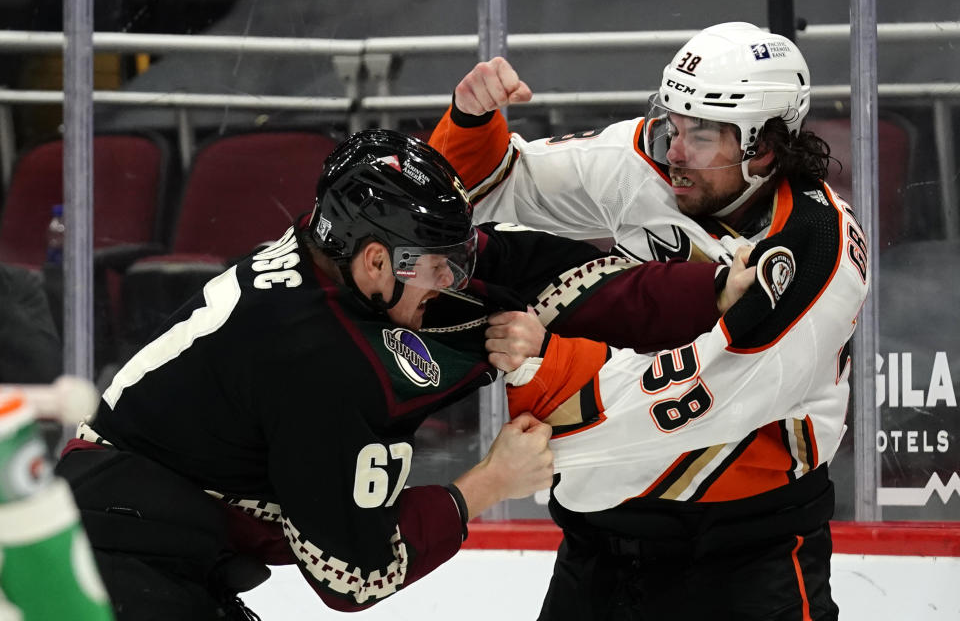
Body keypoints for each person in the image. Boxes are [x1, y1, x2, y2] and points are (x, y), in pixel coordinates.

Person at [54, 129, 751, 620]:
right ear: (374, 262)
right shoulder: (309, 359)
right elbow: (353, 575)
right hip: (111, 555)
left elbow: (527, 269)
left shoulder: (338, 248)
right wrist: (489, 483)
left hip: (135, 529)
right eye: (437, 264)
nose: (454, 279)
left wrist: (708, 291)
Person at [434, 22, 869, 620]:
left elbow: (701, 399)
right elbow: (493, 187)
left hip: (749, 554)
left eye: (704, 136)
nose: (674, 152)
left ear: (763, 148)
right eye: (671, 123)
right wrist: (472, 122)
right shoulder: (645, 162)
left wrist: (546, 370)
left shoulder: (820, 252)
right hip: (604, 546)